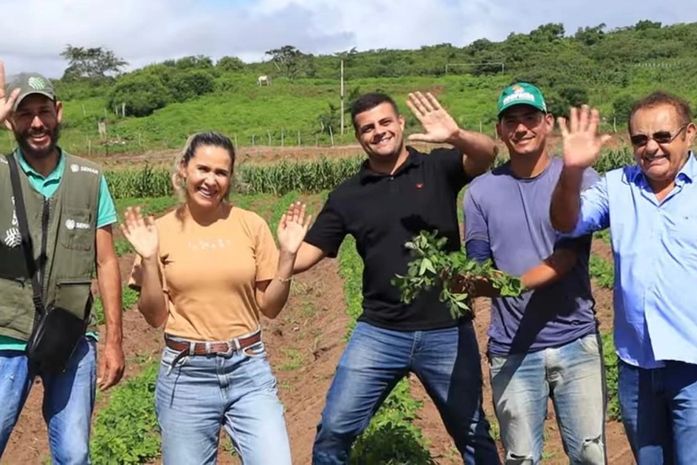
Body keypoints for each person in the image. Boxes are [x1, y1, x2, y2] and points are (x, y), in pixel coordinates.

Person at [288, 91, 501, 464]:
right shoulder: (348, 195)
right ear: (359, 138)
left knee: (472, 433)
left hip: (447, 330)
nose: (378, 132)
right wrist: (277, 258)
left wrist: (456, 135)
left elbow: (486, 154)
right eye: (367, 128)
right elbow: (310, 251)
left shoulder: (437, 168)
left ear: (401, 123)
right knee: (334, 431)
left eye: (385, 122)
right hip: (380, 332)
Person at [124, 131, 310, 465]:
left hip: (247, 367)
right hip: (186, 374)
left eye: (221, 172)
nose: (211, 180)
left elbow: (270, 307)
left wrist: (288, 255)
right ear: (184, 169)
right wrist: (149, 260)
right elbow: (154, 316)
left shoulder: (250, 224)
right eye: (203, 169)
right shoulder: (160, 231)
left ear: (230, 177)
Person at [462, 82, 605, 464]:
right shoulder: (480, 192)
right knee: (521, 458)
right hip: (512, 349)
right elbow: (476, 256)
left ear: (547, 124)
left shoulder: (578, 179)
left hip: (576, 341)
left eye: (529, 118)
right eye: (512, 121)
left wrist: (508, 284)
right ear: (500, 130)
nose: (521, 128)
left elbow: (568, 257)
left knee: (589, 453)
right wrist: (465, 281)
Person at [551, 93, 697, 465]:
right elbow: (566, 222)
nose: (651, 148)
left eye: (663, 136)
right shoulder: (617, 186)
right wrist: (571, 171)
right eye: (639, 140)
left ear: (689, 134)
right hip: (637, 364)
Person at [0, 62, 125, 463]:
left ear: (59, 111)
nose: (37, 123)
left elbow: (106, 262)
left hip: (71, 337)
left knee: (74, 454)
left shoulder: (89, 177)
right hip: (5, 337)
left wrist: (114, 341)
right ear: (11, 121)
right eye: (24, 113)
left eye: (44, 112)